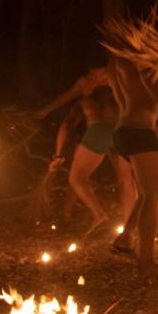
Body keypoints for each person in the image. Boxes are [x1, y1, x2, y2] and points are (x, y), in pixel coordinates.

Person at [107, 54, 158, 278]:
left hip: (127, 131)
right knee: (154, 194)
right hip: (138, 132)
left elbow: (137, 98)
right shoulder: (135, 62)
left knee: (156, 188)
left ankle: (125, 238)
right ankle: (146, 263)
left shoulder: (116, 63)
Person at [34, 66, 135, 237]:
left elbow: (65, 123)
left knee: (77, 177)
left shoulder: (84, 92)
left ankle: (99, 216)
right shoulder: (118, 78)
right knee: (126, 181)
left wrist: (58, 155)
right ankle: (130, 228)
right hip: (121, 130)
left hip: (99, 131)